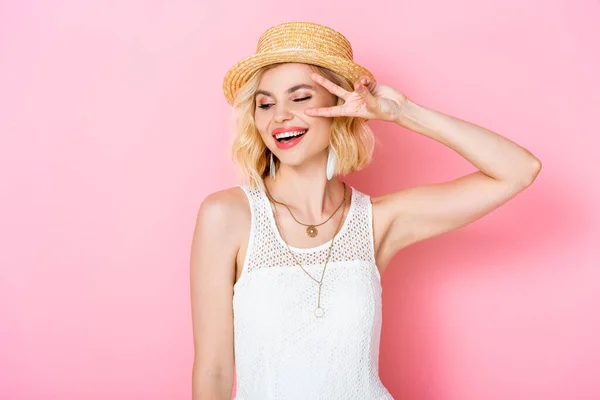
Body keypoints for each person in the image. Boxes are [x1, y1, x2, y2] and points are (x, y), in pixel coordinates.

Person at [189, 22, 541, 400]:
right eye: (266, 103)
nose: (280, 117)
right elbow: (213, 371)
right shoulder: (227, 215)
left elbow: (519, 171)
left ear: (339, 106)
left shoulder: (376, 221)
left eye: (301, 98)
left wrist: (403, 111)